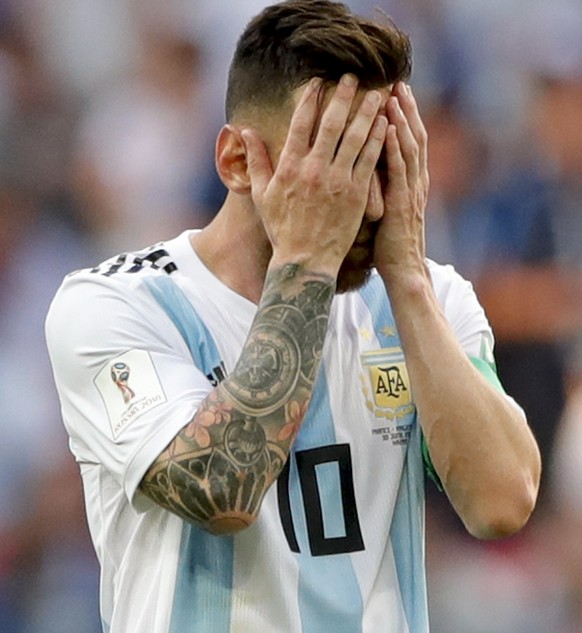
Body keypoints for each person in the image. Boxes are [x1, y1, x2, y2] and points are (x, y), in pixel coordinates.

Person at [44, 1, 541, 631]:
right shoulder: (117, 305)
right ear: (236, 162)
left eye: (382, 162)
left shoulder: (428, 301)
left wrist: (410, 280)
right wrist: (307, 260)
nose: (365, 198)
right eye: (335, 161)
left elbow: (502, 503)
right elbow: (219, 488)